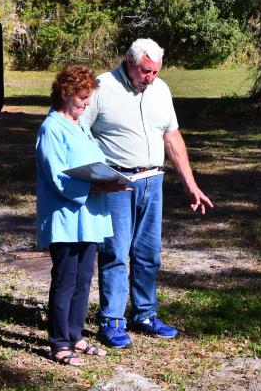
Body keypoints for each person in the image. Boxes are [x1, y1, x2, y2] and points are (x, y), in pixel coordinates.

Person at [82, 38, 214, 349]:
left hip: (153, 181)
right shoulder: (101, 88)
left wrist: (190, 184)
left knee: (148, 253)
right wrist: (95, 176)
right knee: (115, 252)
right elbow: (78, 129)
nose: (150, 78)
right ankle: (112, 320)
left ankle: (144, 314)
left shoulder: (161, 90)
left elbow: (171, 138)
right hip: (117, 182)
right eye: (145, 71)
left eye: (155, 72)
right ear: (129, 62)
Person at [36, 64, 125, 365]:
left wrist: (111, 182)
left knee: (84, 278)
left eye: (88, 97)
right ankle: (59, 343)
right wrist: (96, 186)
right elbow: (58, 178)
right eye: (83, 97)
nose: (87, 103)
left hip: (89, 218)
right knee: (66, 280)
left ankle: (76, 336)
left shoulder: (81, 126)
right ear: (65, 93)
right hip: (65, 219)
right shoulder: (51, 129)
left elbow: (94, 163)